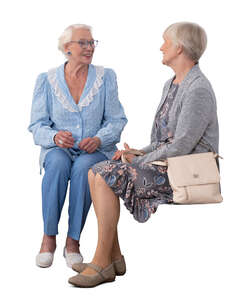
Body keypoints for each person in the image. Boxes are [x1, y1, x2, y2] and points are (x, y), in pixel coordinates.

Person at [68, 21, 220, 287]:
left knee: (104, 175)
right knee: (97, 170)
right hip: (169, 162)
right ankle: (112, 256)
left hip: (185, 172)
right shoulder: (171, 83)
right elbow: (161, 140)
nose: (161, 47)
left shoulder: (198, 89)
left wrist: (138, 160)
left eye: (166, 42)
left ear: (180, 48)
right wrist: (137, 152)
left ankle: (103, 261)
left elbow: (182, 147)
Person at [28, 24, 127, 268]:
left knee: (84, 168)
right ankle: (48, 237)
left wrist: (99, 139)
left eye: (92, 42)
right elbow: (37, 124)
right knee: (58, 164)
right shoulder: (46, 80)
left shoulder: (106, 77)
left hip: (94, 151)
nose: (89, 47)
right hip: (58, 150)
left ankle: (73, 241)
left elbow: (116, 120)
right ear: (67, 48)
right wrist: (54, 138)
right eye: (83, 42)